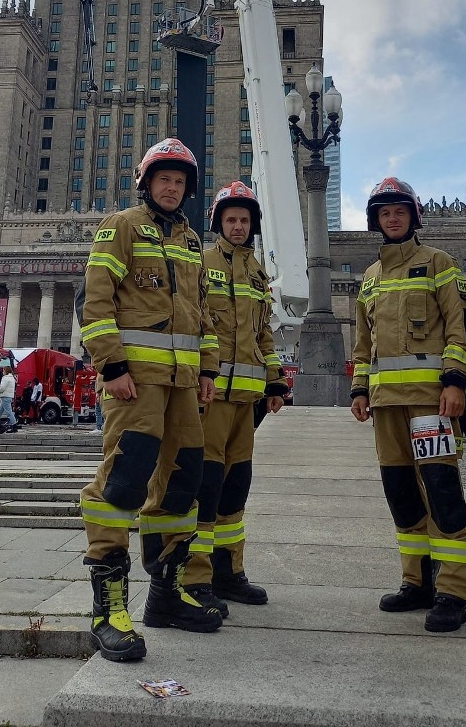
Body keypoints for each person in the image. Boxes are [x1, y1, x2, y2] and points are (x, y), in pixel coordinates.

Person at [78, 138, 222, 662]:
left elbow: (201, 315)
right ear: (146, 182)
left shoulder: (190, 242)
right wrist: (111, 366)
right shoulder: (119, 227)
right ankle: (109, 608)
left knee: (185, 480)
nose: (172, 187)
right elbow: (95, 299)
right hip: (134, 382)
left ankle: (165, 594)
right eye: (164, 178)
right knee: (123, 479)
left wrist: (207, 371)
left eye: (180, 181)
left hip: (183, 386)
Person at [350, 177, 466, 633]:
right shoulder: (369, 277)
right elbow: (363, 346)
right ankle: (417, 581)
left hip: (431, 404)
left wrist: (455, 382)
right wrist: (359, 390)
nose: (392, 218)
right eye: (384, 213)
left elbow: (461, 331)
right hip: (386, 407)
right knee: (401, 494)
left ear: (414, 216)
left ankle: (453, 591)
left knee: (441, 490)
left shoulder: (439, 264)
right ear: (375, 221)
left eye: (399, 211)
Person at [182, 181, 287, 615]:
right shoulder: (202, 264)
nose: (239, 226)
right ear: (218, 223)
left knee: (235, 487)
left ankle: (229, 573)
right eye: (231, 220)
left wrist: (276, 380)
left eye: (245, 220)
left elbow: (263, 332)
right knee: (205, 487)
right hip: (210, 398)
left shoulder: (258, 273)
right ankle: (197, 577)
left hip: (247, 401)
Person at [0, 364, 18, 432]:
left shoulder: (5, 378)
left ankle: (14, 426)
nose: (3, 371)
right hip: (8, 396)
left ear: (5, 371)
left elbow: (2, 387)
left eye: (3, 370)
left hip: (5, 396)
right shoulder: (12, 378)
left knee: (9, 412)